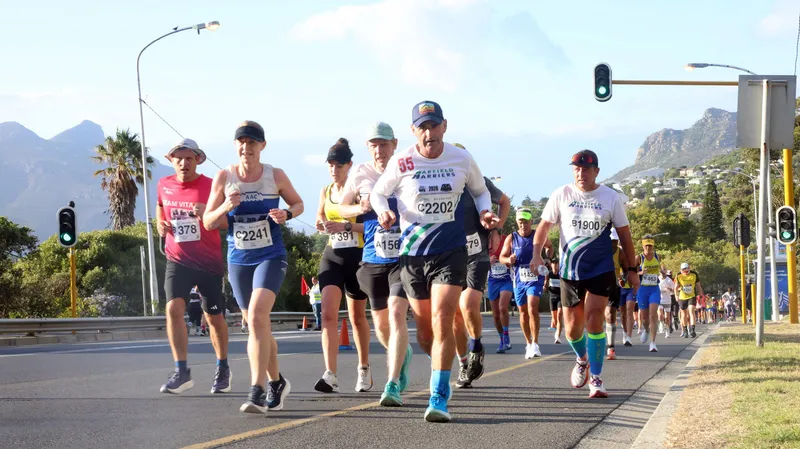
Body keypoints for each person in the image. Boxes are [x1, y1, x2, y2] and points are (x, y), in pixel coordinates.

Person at [370, 100, 498, 422]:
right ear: (414, 131)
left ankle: (439, 396)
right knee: (426, 332)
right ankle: (437, 366)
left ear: (444, 126)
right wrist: (383, 209)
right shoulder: (401, 162)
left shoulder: (461, 158)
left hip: (450, 252)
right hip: (413, 257)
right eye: (422, 127)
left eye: (434, 125)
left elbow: (481, 191)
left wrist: (485, 210)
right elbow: (377, 193)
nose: (429, 133)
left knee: (443, 319)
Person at [204, 120, 304, 413]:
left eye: (252, 142)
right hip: (239, 260)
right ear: (236, 146)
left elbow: (298, 204)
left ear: (262, 146)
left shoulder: (275, 175)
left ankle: (256, 389)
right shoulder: (223, 177)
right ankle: (277, 381)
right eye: (241, 142)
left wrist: (286, 213)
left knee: (260, 315)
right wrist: (226, 206)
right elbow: (209, 222)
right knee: (256, 326)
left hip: (271, 256)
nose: (246, 147)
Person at [532, 149, 639, 399]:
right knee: (571, 329)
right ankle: (582, 359)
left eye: (586, 169)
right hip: (570, 271)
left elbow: (625, 235)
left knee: (594, 318)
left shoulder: (610, 197)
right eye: (577, 169)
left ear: (596, 172)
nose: (581, 173)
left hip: (600, 269)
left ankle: (597, 380)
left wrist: (632, 269)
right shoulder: (562, 194)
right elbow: (544, 227)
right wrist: (537, 254)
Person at [335, 122, 413, 406]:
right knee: (381, 327)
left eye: (384, 144)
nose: (379, 150)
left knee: (396, 314)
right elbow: (342, 206)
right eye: (373, 145)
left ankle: (392, 383)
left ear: (394, 143)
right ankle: (402, 355)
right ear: (368, 147)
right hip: (372, 256)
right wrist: (360, 208)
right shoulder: (360, 172)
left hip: (403, 258)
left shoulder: (407, 166)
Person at [156, 138, 231, 395]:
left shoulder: (211, 186)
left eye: (189, 158)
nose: (184, 163)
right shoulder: (164, 184)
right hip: (177, 258)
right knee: (173, 308)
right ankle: (182, 371)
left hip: (208, 261)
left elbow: (226, 224)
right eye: (179, 158)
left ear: (198, 160)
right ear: (172, 161)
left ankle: (222, 367)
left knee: (213, 317)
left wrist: (206, 214)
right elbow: (160, 207)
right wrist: (159, 224)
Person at [311, 138, 373, 393]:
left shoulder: (358, 193)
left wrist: (347, 225)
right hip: (332, 254)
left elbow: (371, 226)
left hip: (357, 256)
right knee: (327, 314)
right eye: (330, 165)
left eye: (339, 165)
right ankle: (330, 374)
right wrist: (320, 223)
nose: (334, 170)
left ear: (350, 165)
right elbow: (320, 215)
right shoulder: (326, 191)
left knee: (357, 318)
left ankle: (364, 369)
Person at [451, 143, 511, 389]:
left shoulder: (479, 182)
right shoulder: (438, 184)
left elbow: (504, 202)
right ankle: (463, 363)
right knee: (453, 315)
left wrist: (497, 229)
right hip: (450, 256)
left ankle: (476, 345)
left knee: (468, 304)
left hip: (477, 254)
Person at [499, 208, 553, 359]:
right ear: (517, 222)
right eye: (520, 222)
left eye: (526, 222)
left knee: (532, 306)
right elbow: (502, 257)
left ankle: (535, 343)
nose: (523, 225)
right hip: (519, 279)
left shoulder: (538, 235)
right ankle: (528, 343)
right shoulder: (512, 238)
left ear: (531, 221)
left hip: (535, 278)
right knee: (523, 311)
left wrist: (548, 259)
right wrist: (508, 260)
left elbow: (550, 246)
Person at [635, 235, 663, 352]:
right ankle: (646, 330)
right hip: (642, 290)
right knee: (645, 318)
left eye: (650, 246)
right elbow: (633, 272)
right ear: (643, 246)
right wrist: (641, 272)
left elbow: (660, 270)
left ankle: (652, 343)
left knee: (653, 314)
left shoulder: (657, 256)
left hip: (654, 289)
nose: (648, 248)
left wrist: (663, 273)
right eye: (646, 246)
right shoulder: (639, 258)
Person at [488, 234, 514, 353]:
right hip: (493, 281)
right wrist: (488, 261)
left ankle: (506, 335)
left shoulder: (506, 239)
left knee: (502, 307)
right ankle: (502, 339)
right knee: (495, 314)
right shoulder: (484, 241)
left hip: (506, 280)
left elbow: (516, 256)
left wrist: (509, 260)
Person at [606, 230, 627, 359]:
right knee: (599, 315)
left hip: (613, 286)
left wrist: (623, 279)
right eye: (611, 241)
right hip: (599, 284)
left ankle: (610, 347)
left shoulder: (620, 253)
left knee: (610, 314)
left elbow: (626, 270)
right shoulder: (600, 251)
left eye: (615, 241)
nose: (613, 243)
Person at [673, 262, 704, 338]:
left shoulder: (694, 274)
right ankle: (685, 330)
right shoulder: (678, 275)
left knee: (691, 311)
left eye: (687, 270)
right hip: (682, 297)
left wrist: (701, 294)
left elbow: (698, 285)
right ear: (681, 270)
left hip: (692, 296)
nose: (686, 272)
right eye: (684, 270)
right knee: (684, 314)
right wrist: (676, 295)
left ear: (689, 268)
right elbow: (676, 287)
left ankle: (692, 330)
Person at [545, 257, 563, 344]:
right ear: (551, 265)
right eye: (553, 264)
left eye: (557, 264)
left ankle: (557, 336)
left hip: (561, 297)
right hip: (552, 298)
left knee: (559, 316)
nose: (555, 265)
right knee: (555, 319)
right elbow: (545, 287)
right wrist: (544, 286)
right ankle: (556, 330)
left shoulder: (561, 274)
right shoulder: (549, 274)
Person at [658, 272, 675, 338]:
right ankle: (661, 323)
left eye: (664, 273)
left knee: (667, 317)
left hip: (667, 300)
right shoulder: (657, 279)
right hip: (659, 299)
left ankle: (667, 331)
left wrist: (669, 289)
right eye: (661, 273)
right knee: (660, 315)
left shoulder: (669, 280)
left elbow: (673, 290)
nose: (663, 274)